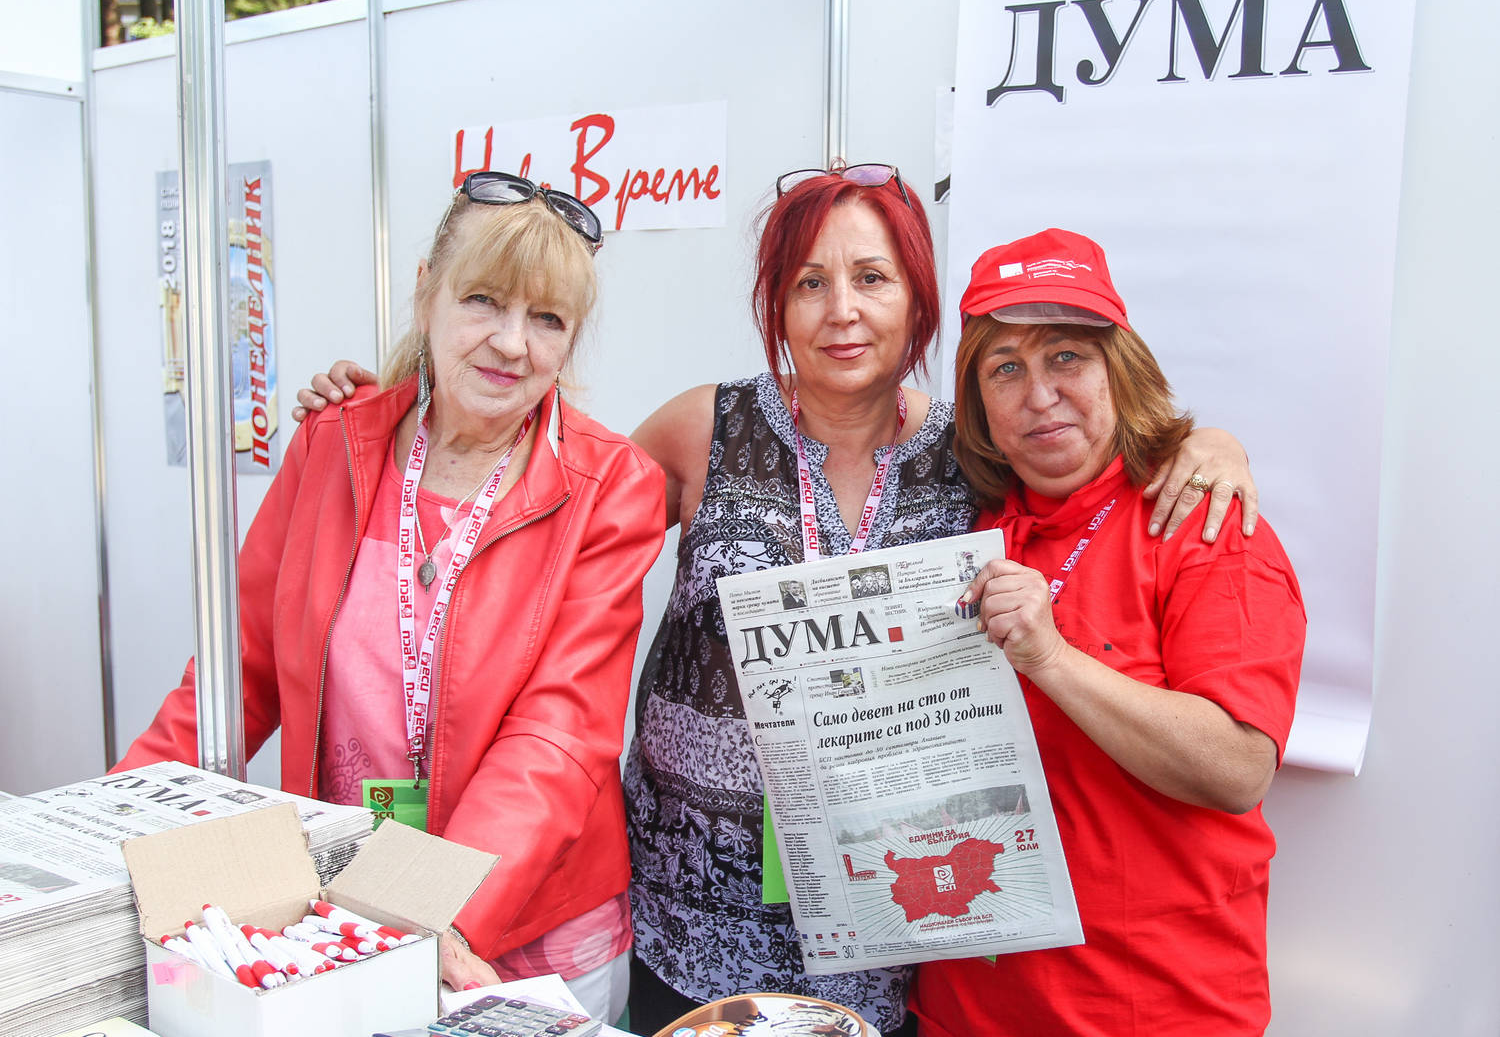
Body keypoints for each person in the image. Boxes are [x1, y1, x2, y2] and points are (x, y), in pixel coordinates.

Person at [294, 164, 1260, 1035]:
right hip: (684, 923)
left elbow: (1082, 455)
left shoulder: (971, 454)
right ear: (777, 303)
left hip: (886, 923)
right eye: (809, 283)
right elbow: (538, 505)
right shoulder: (702, 427)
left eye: (872, 278)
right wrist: (399, 411)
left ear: (917, 300)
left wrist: (1205, 447)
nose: (843, 311)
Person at [115, 173, 667, 1023]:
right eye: (483, 300)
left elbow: (556, 737)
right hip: (342, 904)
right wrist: (113, 817)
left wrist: (416, 910)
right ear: (425, 293)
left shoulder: (611, 486)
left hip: (520, 931)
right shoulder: (334, 441)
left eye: (547, 319)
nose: (512, 343)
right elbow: (240, 672)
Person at [910, 228, 1305, 1036]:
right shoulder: (961, 525)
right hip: (965, 1010)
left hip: (1152, 1011)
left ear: (1119, 371)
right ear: (979, 404)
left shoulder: (1202, 523)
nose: (1040, 395)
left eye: (1067, 357)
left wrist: (1053, 658)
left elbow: (1238, 767)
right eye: (1005, 368)